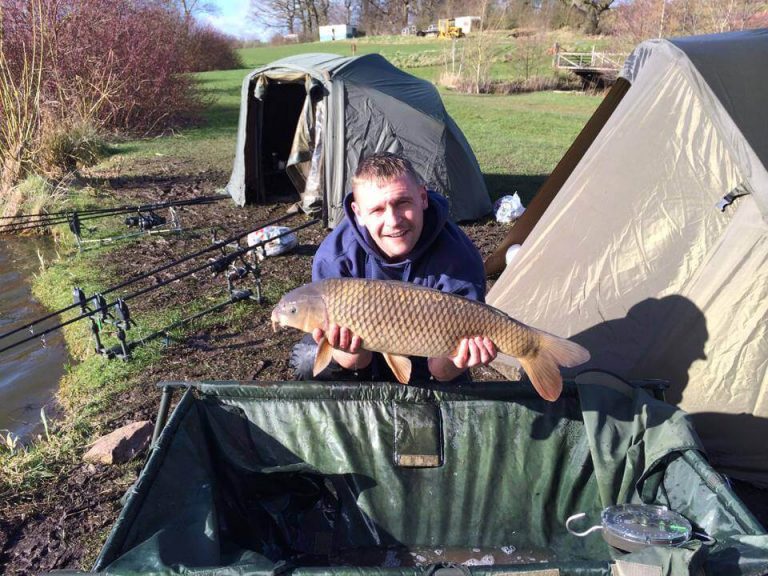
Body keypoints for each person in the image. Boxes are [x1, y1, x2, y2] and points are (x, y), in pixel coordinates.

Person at [290, 152, 496, 382]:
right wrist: (351, 351)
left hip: (429, 356)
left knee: (436, 387)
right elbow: (356, 363)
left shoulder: (458, 257)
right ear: (358, 214)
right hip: (363, 354)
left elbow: (441, 371)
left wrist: (461, 358)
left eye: (402, 203)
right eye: (377, 210)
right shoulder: (335, 258)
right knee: (309, 359)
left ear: (423, 198)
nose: (393, 221)